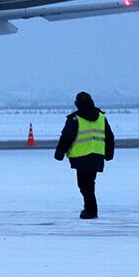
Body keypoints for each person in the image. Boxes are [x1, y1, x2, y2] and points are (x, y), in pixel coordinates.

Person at [54, 91, 115, 219]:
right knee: (89, 184)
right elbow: (109, 136)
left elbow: (66, 137)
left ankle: (91, 210)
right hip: (97, 156)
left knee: (84, 185)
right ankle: (90, 209)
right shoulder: (101, 117)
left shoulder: (75, 119)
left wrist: (59, 153)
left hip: (81, 157)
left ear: (77, 104)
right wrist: (109, 153)